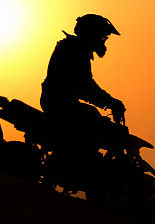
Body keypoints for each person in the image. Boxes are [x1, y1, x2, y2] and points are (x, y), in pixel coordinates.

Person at [40, 14, 129, 185]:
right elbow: (85, 86)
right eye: (103, 36)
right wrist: (111, 102)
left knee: (92, 119)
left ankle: (81, 167)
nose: (104, 40)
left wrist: (108, 102)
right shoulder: (74, 50)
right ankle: (78, 170)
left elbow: (85, 86)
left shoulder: (74, 48)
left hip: (60, 102)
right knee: (95, 124)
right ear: (92, 33)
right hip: (60, 104)